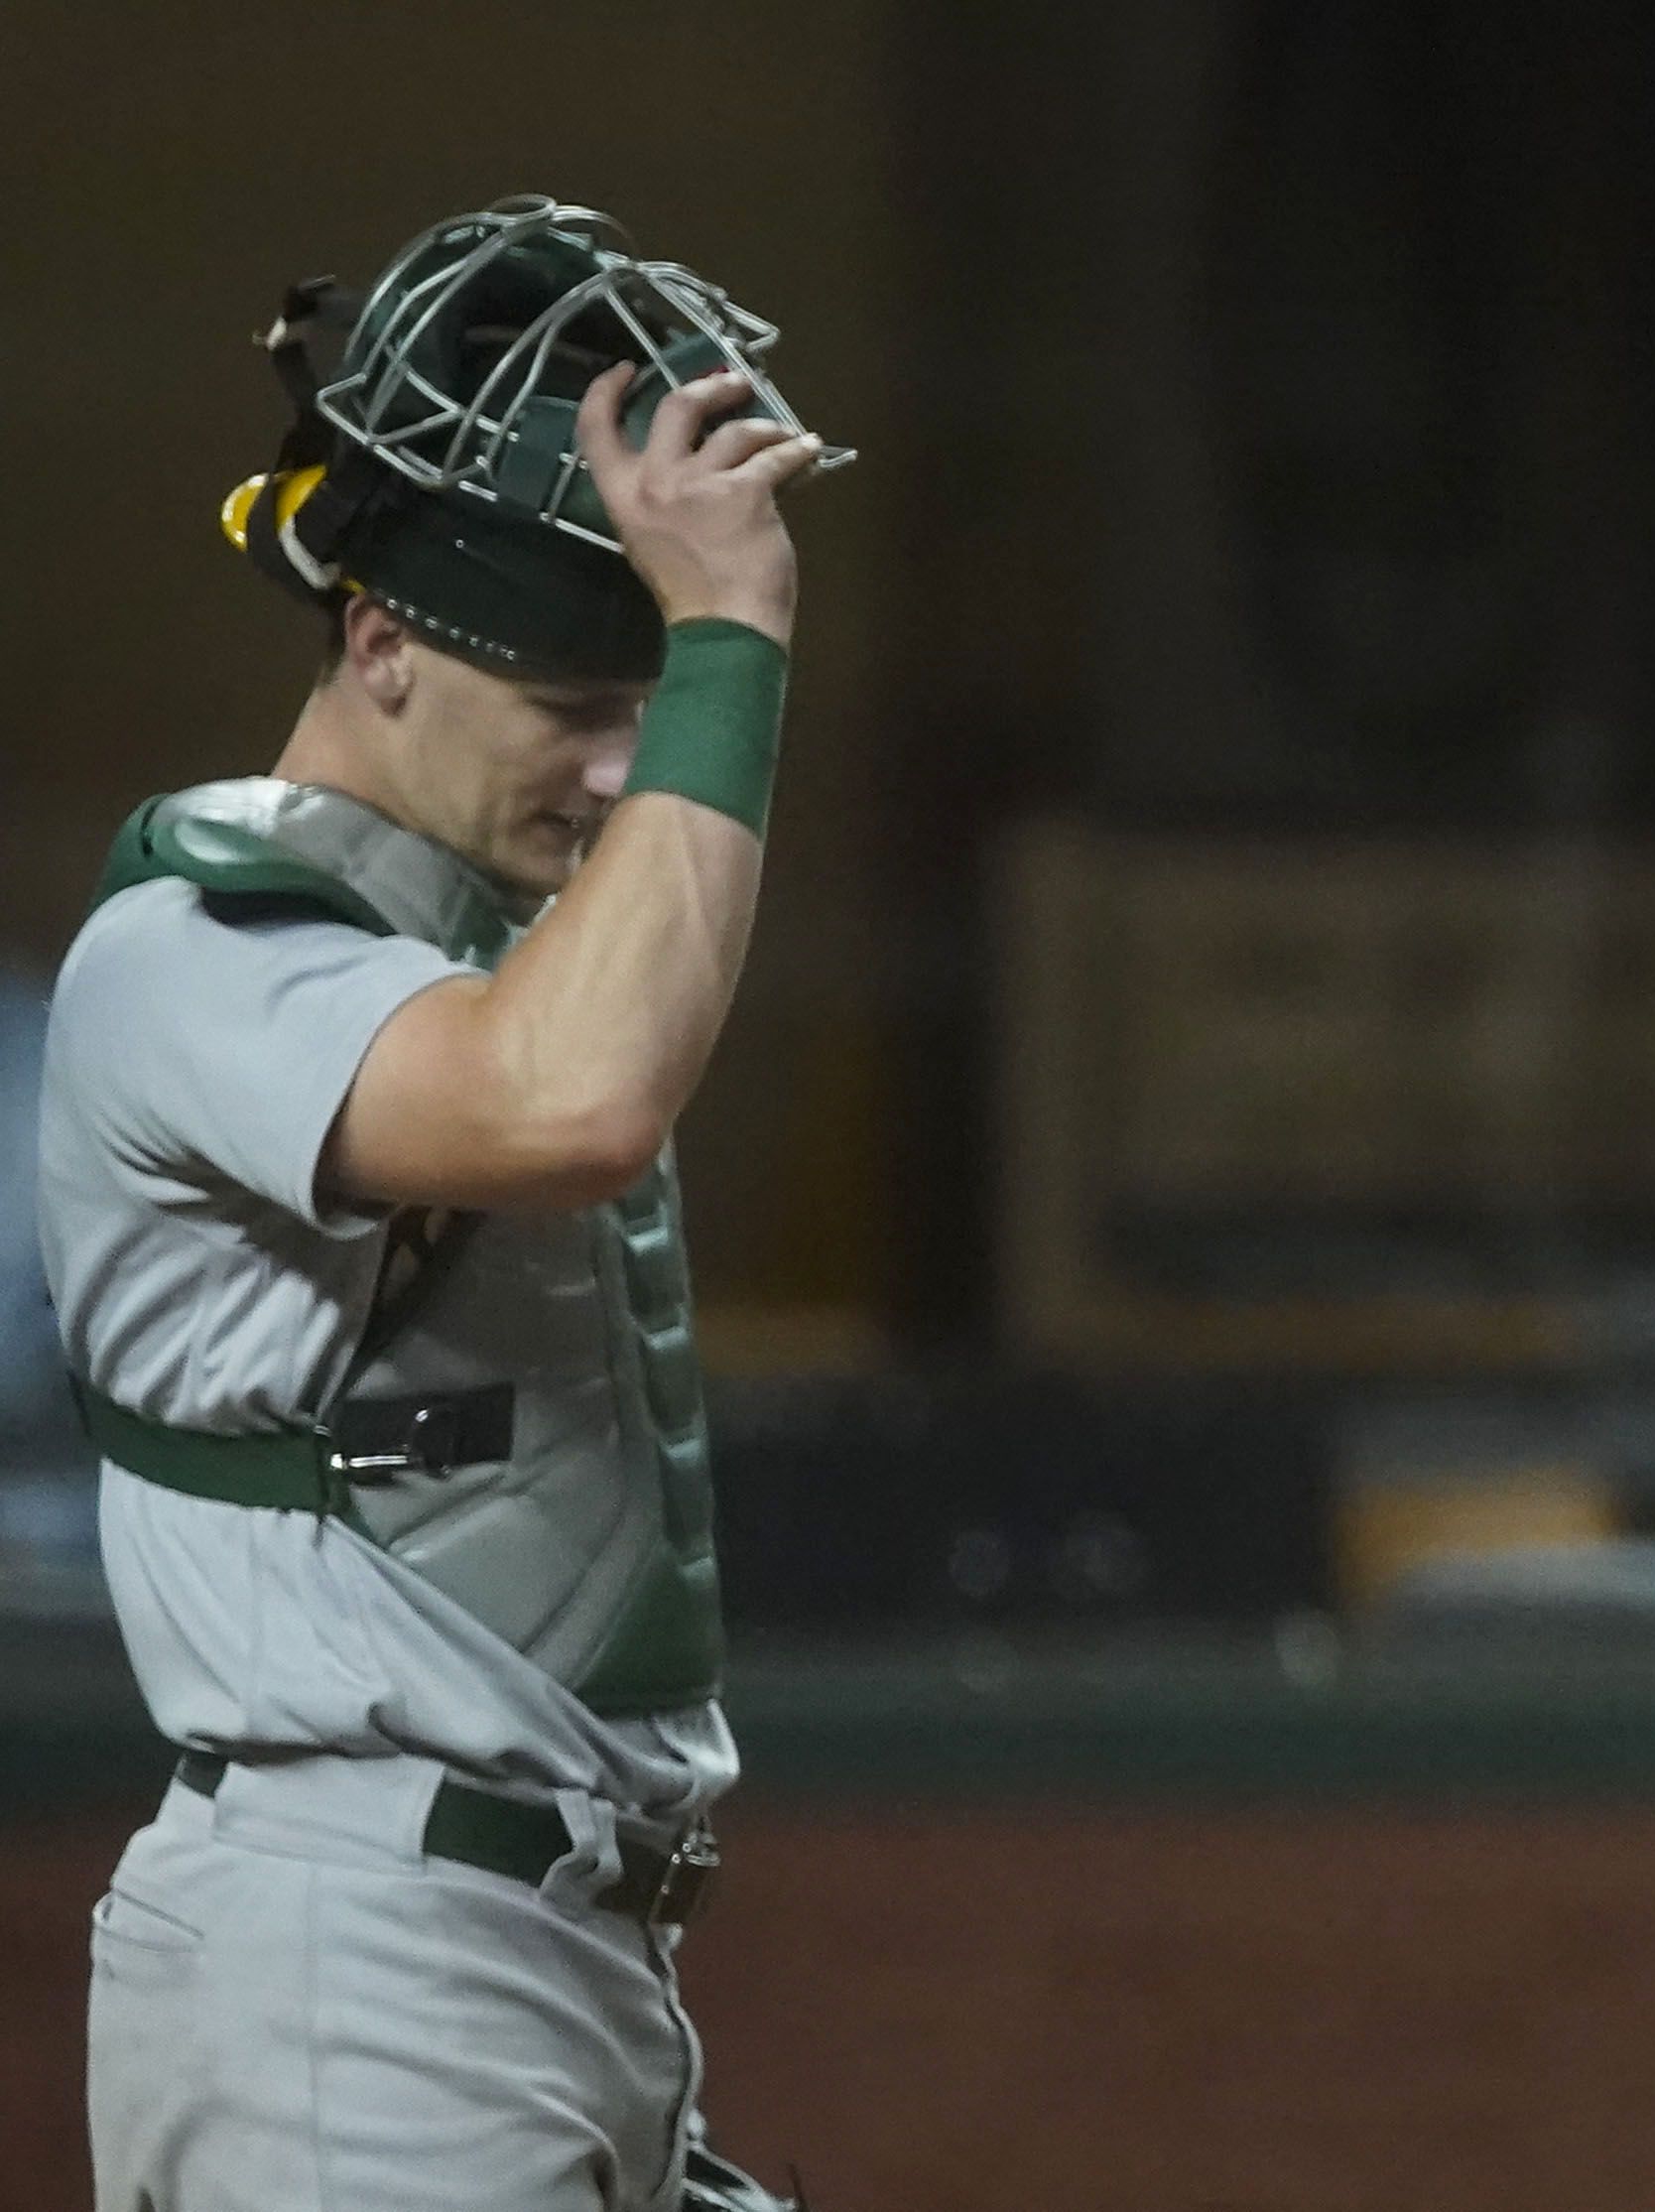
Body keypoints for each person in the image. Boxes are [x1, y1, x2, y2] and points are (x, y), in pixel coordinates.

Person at [42, 195, 839, 2212]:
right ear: (381, 639)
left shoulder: (480, 937)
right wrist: (735, 636)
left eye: (646, 698)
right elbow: (567, 1097)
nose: (620, 765)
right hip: (360, 1966)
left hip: (543, 1958)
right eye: (576, 702)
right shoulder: (200, 946)